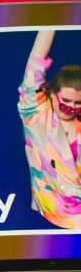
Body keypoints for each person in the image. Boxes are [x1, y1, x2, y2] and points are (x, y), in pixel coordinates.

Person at [19, 30, 81, 230]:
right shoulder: (35, 115)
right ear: (51, 93)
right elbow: (34, 66)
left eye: (78, 104)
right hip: (50, 219)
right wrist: (51, 18)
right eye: (65, 103)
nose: (71, 109)